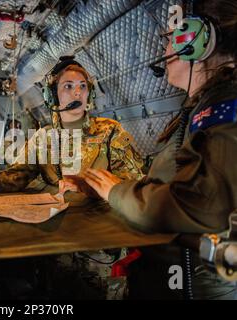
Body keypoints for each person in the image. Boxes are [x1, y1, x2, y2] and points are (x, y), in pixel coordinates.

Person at [0, 58, 144, 299]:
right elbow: (14, 178)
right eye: (68, 86)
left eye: (82, 86)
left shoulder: (110, 132)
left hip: (99, 250)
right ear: (53, 96)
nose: (77, 92)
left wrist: (93, 187)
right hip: (53, 246)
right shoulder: (43, 138)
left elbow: (136, 183)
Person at [81, 0, 237, 299]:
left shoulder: (225, 111)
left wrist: (117, 192)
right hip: (180, 276)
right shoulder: (203, 110)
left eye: (170, 40)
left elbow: (201, 203)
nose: (165, 51)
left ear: (196, 42)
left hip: (200, 285)